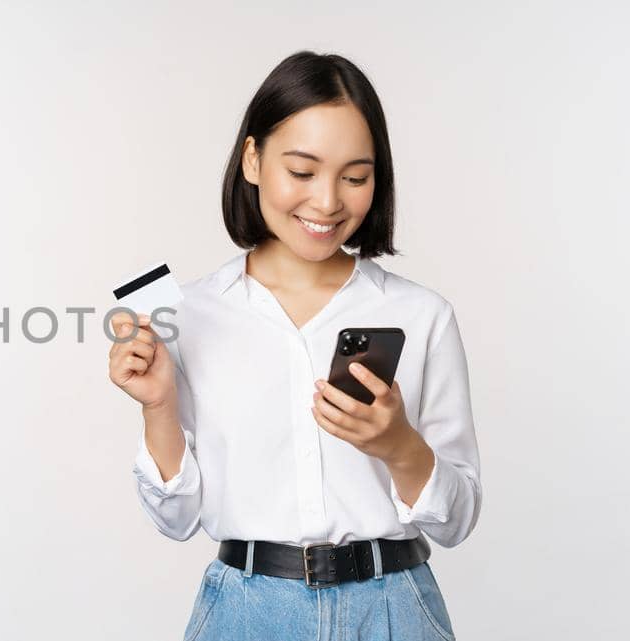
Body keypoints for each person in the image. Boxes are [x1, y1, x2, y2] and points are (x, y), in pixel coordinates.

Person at [107, 51, 482, 641]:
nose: (329, 201)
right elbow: (175, 519)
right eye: (303, 172)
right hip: (246, 614)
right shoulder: (188, 315)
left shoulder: (421, 314)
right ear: (253, 159)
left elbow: (458, 520)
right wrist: (158, 405)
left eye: (355, 177)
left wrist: (399, 445)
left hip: (394, 611)